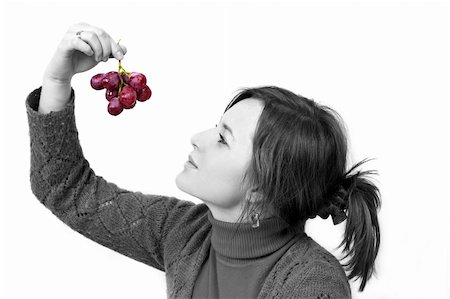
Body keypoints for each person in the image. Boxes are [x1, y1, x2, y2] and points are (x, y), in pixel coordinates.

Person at [26, 22, 381, 299]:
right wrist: (57, 79)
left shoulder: (311, 283)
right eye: (215, 127)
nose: (198, 138)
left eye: (223, 139)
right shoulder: (184, 232)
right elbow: (64, 188)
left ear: (261, 188)